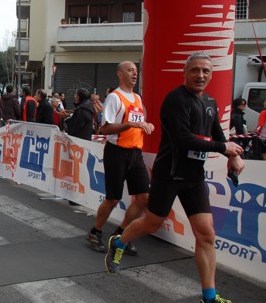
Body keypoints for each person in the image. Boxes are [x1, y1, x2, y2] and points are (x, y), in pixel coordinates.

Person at [105, 54, 245, 303]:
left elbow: (218, 136)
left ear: (211, 74)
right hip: (169, 175)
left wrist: (232, 156)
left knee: (206, 235)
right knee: (151, 224)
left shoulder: (210, 102)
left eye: (205, 71)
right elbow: (183, 139)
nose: (200, 75)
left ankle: (209, 297)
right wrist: (224, 150)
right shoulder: (175, 100)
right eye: (195, 70)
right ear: (186, 72)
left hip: (194, 177)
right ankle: (119, 241)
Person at [86, 61, 154, 256]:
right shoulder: (114, 98)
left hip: (136, 153)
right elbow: (105, 128)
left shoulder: (138, 98)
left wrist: (148, 125)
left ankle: (121, 233)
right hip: (117, 152)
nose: (135, 73)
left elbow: (140, 123)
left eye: (136, 70)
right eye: (130, 70)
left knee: (143, 198)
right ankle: (95, 232)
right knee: (113, 199)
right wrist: (130, 124)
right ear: (120, 74)